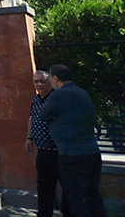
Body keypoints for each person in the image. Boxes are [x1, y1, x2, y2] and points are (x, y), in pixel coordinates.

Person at [39, 65, 107, 217]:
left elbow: (43, 115)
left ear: (55, 78)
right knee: (92, 194)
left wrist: (55, 118)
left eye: (50, 78)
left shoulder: (59, 94)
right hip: (92, 152)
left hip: (72, 155)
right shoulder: (82, 93)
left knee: (77, 198)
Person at [26, 70, 66, 217]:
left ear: (50, 82)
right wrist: (29, 138)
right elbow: (32, 118)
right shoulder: (35, 100)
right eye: (36, 82)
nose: (40, 85)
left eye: (43, 81)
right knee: (44, 186)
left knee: (67, 185)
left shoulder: (56, 98)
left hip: (60, 151)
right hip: (43, 151)